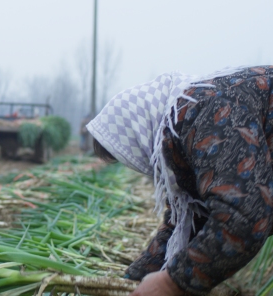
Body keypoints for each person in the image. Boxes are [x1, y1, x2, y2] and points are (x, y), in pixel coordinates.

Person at [87, 66, 273, 296]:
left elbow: (243, 217)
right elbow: (193, 222)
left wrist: (171, 283)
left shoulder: (207, 112)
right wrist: (132, 282)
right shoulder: (186, 126)